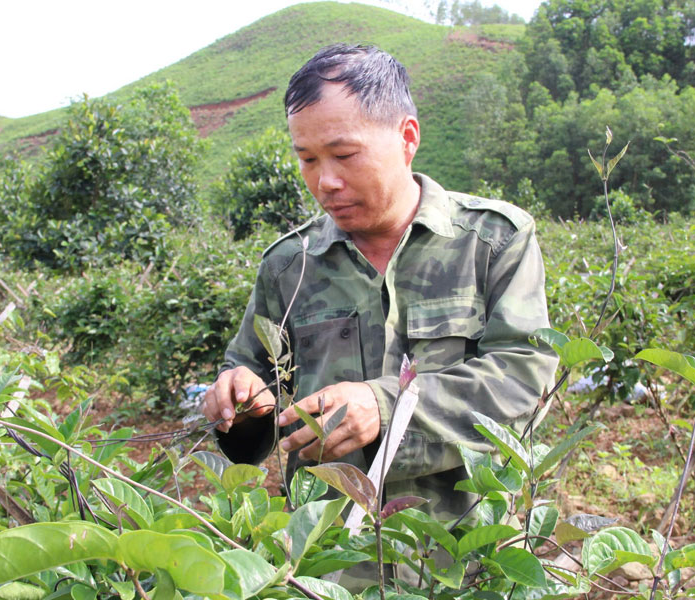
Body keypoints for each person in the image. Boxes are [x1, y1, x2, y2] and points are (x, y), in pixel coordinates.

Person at [201, 43, 557, 520]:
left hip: (464, 554)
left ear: (407, 137)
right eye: (307, 159)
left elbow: (522, 379)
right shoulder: (290, 264)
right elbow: (251, 389)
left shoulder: (491, 243)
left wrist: (384, 405)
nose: (325, 181)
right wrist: (240, 402)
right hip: (329, 566)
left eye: (344, 154)